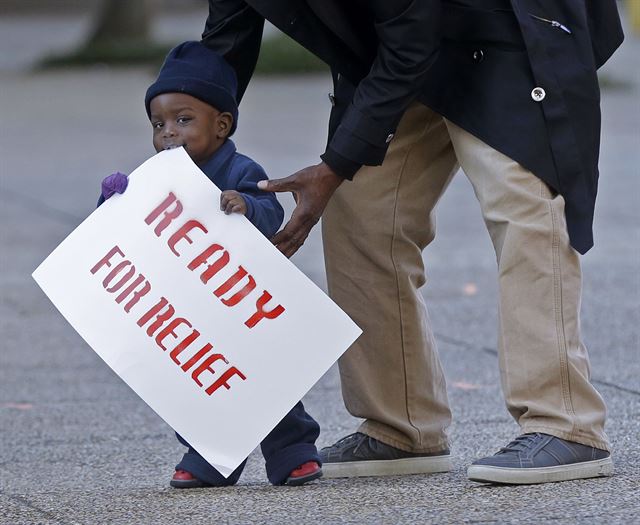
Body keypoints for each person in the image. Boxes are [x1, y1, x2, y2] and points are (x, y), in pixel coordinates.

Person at [200, 1, 624, 485]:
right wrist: (178, 160)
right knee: (360, 211)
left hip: (506, 27)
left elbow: (413, 38)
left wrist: (335, 165)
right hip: (403, 40)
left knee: (524, 205)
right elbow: (224, 46)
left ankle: (565, 423)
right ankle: (400, 425)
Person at [99, 41, 322, 488]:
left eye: (183, 120)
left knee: (267, 380)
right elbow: (123, 232)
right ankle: (210, 454)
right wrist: (113, 200)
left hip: (241, 304)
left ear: (221, 125)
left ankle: (292, 449)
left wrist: (246, 205)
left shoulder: (239, 170)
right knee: (199, 384)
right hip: (189, 309)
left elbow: (271, 213)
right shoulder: (154, 178)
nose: (168, 133)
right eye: (158, 123)